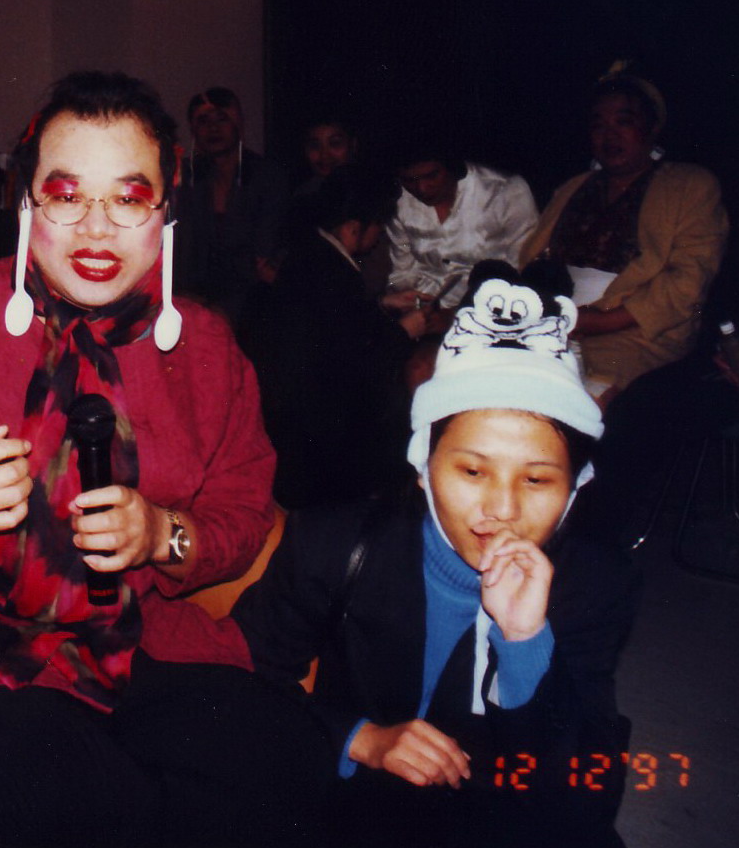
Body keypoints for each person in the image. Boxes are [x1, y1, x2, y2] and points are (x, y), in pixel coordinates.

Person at [0, 71, 329, 848]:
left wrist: (162, 534)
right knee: (75, 802)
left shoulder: (206, 349)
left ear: (166, 209)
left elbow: (244, 513)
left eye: (129, 198)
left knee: (278, 758)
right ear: (26, 202)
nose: (96, 228)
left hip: (135, 642)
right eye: (67, 194)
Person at [234, 268, 638, 848]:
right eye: (472, 471)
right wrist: (356, 737)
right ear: (424, 467)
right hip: (351, 808)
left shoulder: (596, 583)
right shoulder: (334, 543)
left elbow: (581, 791)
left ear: (574, 490)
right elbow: (241, 674)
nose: (502, 509)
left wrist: (525, 642)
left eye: (537, 480)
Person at [520, 65, 728, 400]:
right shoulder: (572, 187)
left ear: (652, 127)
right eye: (598, 125)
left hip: (636, 334)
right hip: (553, 321)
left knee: (570, 398)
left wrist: (595, 322)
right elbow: (529, 259)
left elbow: (687, 282)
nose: (609, 135)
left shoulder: (690, 185)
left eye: (623, 122)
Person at [241, 166, 421, 509]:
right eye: (378, 226)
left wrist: (382, 304)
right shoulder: (335, 273)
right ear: (354, 227)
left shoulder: (310, 255)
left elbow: (339, 323)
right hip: (321, 436)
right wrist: (405, 331)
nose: (379, 236)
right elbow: (359, 359)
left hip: (295, 421)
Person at [173, 86, 291, 322]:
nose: (213, 128)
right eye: (203, 121)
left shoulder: (267, 177)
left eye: (222, 118)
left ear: (238, 123)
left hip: (252, 303)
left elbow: (262, 259)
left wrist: (219, 308)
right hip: (193, 299)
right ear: (193, 130)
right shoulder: (186, 177)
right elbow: (181, 249)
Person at [386, 149, 539, 319]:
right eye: (410, 180)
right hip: (424, 304)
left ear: (452, 167)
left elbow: (523, 268)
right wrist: (405, 302)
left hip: (492, 307)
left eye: (431, 176)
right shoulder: (399, 199)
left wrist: (457, 314)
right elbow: (402, 269)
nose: (421, 188)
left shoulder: (504, 190)